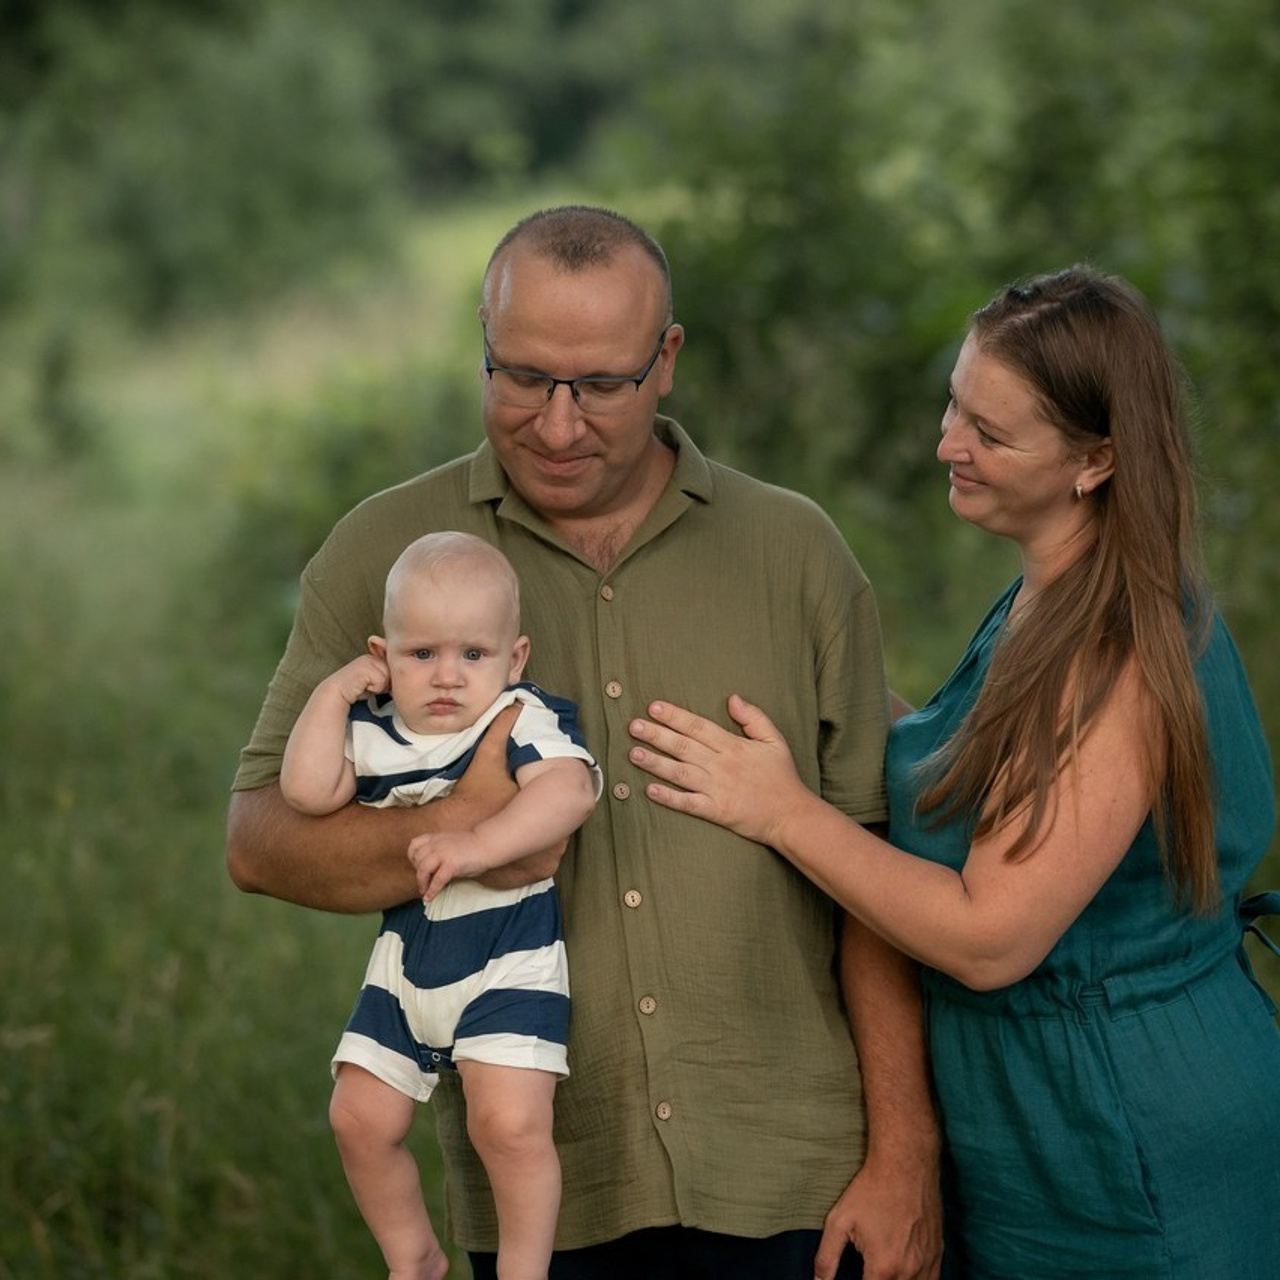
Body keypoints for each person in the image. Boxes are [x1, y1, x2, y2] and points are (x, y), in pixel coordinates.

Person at [227, 204, 943, 1280]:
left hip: (798, 1173)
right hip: (547, 1196)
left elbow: (871, 877)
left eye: (600, 385)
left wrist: (904, 1156)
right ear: (481, 339)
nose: (558, 424)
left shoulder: (792, 551)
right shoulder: (386, 552)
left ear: (665, 361)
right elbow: (260, 839)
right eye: (520, 378)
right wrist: (464, 821)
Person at [627, 265, 1280, 1278]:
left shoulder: (1113, 649)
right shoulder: (1044, 593)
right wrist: (817, 696)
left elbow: (988, 935)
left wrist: (783, 812)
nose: (945, 443)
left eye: (988, 432)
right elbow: (973, 763)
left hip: (1127, 1136)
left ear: (1094, 459)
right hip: (1037, 1119)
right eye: (952, 405)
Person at [280, 531, 601, 1280]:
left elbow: (571, 789)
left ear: (514, 660)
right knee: (358, 1119)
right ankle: (414, 1257)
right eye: (421, 655)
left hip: (507, 958)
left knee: (510, 1125)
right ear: (383, 656)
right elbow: (305, 792)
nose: (448, 677)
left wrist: (477, 844)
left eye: (473, 655)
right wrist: (332, 694)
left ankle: (524, 1271)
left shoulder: (516, 718)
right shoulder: (376, 732)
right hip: (405, 966)